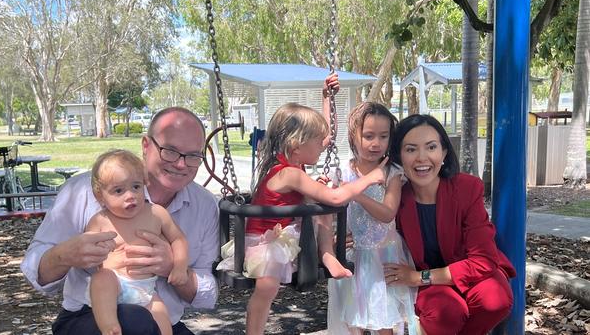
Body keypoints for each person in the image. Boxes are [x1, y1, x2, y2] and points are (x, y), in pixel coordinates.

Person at [21, 107, 219, 335]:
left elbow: (208, 295)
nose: (181, 164)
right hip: (89, 315)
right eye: (170, 151)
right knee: (134, 320)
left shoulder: (204, 204)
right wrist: (64, 255)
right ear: (146, 146)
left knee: (145, 322)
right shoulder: (84, 192)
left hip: (159, 315)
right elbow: (35, 273)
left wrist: (174, 267)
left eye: (193, 155)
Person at [218, 86, 389, 334]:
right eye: (318, 142)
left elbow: (325, 135)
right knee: (267, 287)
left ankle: (327, 254)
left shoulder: (293, 163)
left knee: (319, 207)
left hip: (287, 235)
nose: (324, 145)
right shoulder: (289, 173)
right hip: (265, 243)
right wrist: (370, 178)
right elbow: (336, 196)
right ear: (297, 145)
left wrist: (326, 99)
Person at [385, 114, 516, 335]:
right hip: (430, 287)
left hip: (467, 273)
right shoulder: (394, 198)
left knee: (495, 300)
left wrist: (418, 277)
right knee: (446, 312)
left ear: (444, 152)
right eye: (410, 149)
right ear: (398, 156)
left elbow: (483, 260)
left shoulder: (467, 188)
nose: (421, 158)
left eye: (431, 147)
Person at [327, 102, 418, 335]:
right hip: (353, 256)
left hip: (384, 256)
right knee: (353, 319)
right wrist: (334, 239)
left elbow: (388, 212)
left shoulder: (391, 173)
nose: (376, 143)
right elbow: (328, 212)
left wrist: (355, 193)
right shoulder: (341, 172)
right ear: (353, 136)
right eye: (368, 136)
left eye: (383, 136)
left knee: (383, 321)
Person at [86, 149, 189, 335]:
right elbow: (86, 252)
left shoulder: (156, 213)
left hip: (146, 289)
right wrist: (100, 252)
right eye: (118, 190)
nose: (130, 195)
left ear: (145, 184)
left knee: (163, 325)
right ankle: (110, 327)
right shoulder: (99, 221)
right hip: (114, 283)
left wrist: (180, 266)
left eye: (136, 186)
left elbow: (178, 239)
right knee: (101, 279)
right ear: (100, 196)